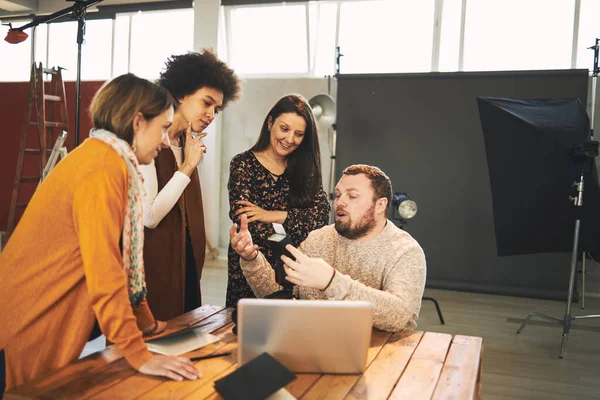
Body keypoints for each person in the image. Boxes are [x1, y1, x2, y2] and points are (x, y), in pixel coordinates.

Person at [0, 74, 202, 394]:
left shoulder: (106, 158)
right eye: (163, 128)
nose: (166, 140)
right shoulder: (103, 167)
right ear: (138, 122)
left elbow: (124, 266)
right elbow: (104, 268)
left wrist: (145, 323)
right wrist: (138, 353)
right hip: (21, 324)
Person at [230, 164, 426, 333]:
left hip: (376, 357)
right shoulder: (318, 239)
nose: (340, 202)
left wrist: (332, 282)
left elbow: (401, 316)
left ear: (380, 205)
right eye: (338, 194)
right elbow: (276, 294)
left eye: (353, 196)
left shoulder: (405, 251)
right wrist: (251, 258)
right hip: (309, 347)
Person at [139, 50, 241, 323]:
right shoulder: (152, 139)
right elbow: (149, 218)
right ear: (183, 93)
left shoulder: (188, 143)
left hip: (187, 268)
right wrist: (186, 168)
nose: (211, 115)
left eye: (216, 109)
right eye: (206, 103)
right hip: (156, 267)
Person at [226, 94, 330, 307]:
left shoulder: (306, 168)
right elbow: (247, 223)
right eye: (284, 129)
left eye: (299, 134)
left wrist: (269, 215)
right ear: (270, 123)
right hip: (251, 264)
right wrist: (296, 226)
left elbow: (321, 216)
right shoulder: (243, 164)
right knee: (246, 333)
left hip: (297, 270)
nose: (290, 139)